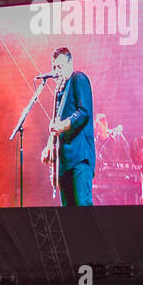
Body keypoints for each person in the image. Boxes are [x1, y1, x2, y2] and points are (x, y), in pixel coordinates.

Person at [39, 47, 95, 207]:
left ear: (70, 65)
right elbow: (56, 123)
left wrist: (63, 126)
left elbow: (84, 112)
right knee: (69, 215)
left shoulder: (78, 78)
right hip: (64, 163)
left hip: (79, 158)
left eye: (60, 67)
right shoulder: (59, 92)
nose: (56, 71)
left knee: (83, 208)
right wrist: (50, 146)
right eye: (54, 67)